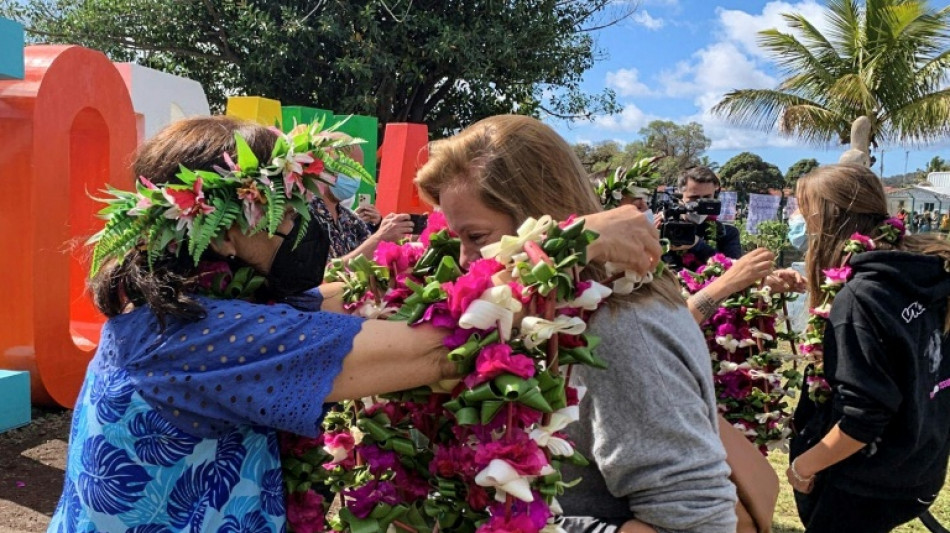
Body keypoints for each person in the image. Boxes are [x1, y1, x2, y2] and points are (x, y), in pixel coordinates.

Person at [48, 116, 662, 532]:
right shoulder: (204, 339)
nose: (303, 226)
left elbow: (346, 297)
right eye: (285, 208)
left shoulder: (173, 317)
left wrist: (448, 256)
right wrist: (570, 243)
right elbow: (443, 346)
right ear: (224, 231)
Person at [416, 114, 737, 533]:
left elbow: (697, 521)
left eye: (476, 237)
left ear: (537, 218)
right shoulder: (562, 311)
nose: (463, 260)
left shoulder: (616, 325)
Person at [787, 164, 950, 533]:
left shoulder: (861, 296)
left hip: (863, 484)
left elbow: (863, 416)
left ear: (826, 217)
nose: (799, 221)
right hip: (919, 466)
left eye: (804, 210)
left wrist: (803, 466)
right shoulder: (926, 272)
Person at [308, 131, 415, 262]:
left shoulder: (350, 220)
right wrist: (379, 238)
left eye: (359, 170)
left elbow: (374, 258)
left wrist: (385, 229)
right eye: (350, 169)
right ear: (323, 167)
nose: (355, 178)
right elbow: (325, 270)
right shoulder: (303, 218)